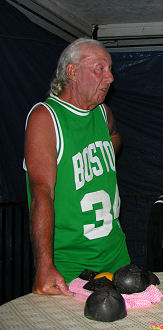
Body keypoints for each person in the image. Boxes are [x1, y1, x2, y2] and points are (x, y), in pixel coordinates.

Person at [24, 38, 131, 295]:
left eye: (110, 69)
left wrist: (98, 160)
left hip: (117, 256)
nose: (110, 78)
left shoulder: (103, 113)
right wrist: (44, 265)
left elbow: (115, 137)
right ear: (72, 71)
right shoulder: (46, 117)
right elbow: (41, 193)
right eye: (100, 68)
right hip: (71, 267)